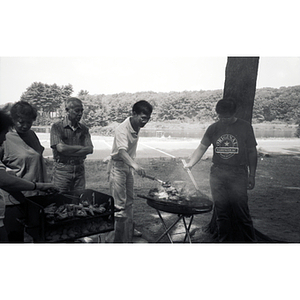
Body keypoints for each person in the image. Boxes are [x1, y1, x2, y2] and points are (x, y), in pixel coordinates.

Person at [184, 98, 257, 242]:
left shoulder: (245, 127)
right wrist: (190, 163)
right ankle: (224, 242)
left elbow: (252, 152)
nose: (224, 119)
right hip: (217, 174)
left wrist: (252, 175)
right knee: (222, 213)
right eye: (221, 116)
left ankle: (250, 242)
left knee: (241, 212)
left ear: (234, 113)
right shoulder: (213, 128)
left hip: (238, 173)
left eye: (227, 117)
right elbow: (202, 147)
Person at [0, 109, 57, 242]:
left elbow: (35, 155)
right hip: (15, 199)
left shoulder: (31, 134)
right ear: (13, 120)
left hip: (36, 196)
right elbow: (2, 178)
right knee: (15, 238)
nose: (25, 126)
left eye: (29, 122)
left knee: (40, 234)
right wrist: (37, 185)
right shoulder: (6, 138)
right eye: (21, 122)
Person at [106, 100, 153, 243]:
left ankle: (129, 229)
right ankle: (116, 236)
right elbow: (121, 152)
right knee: (119, 204)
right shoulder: (122, 129)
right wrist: (136, 165)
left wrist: (132, 165)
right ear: (133, 114)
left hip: (127, 166)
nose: (145, 122)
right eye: (143, 118)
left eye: (148, 118)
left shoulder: (136, 125)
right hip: (118, 167)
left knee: (130, 202)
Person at [50, 97, 93, 196]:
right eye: (77, 110)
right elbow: (61, 148)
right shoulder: (57, 127)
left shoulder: (84, 129)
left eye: (82, 111)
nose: (80, 114)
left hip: (79, 169)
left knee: (78, 199)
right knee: (59, 199)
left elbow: (90, 149)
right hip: (62, 170)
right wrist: (81, 148)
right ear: (67, 110)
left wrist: (68, 149)